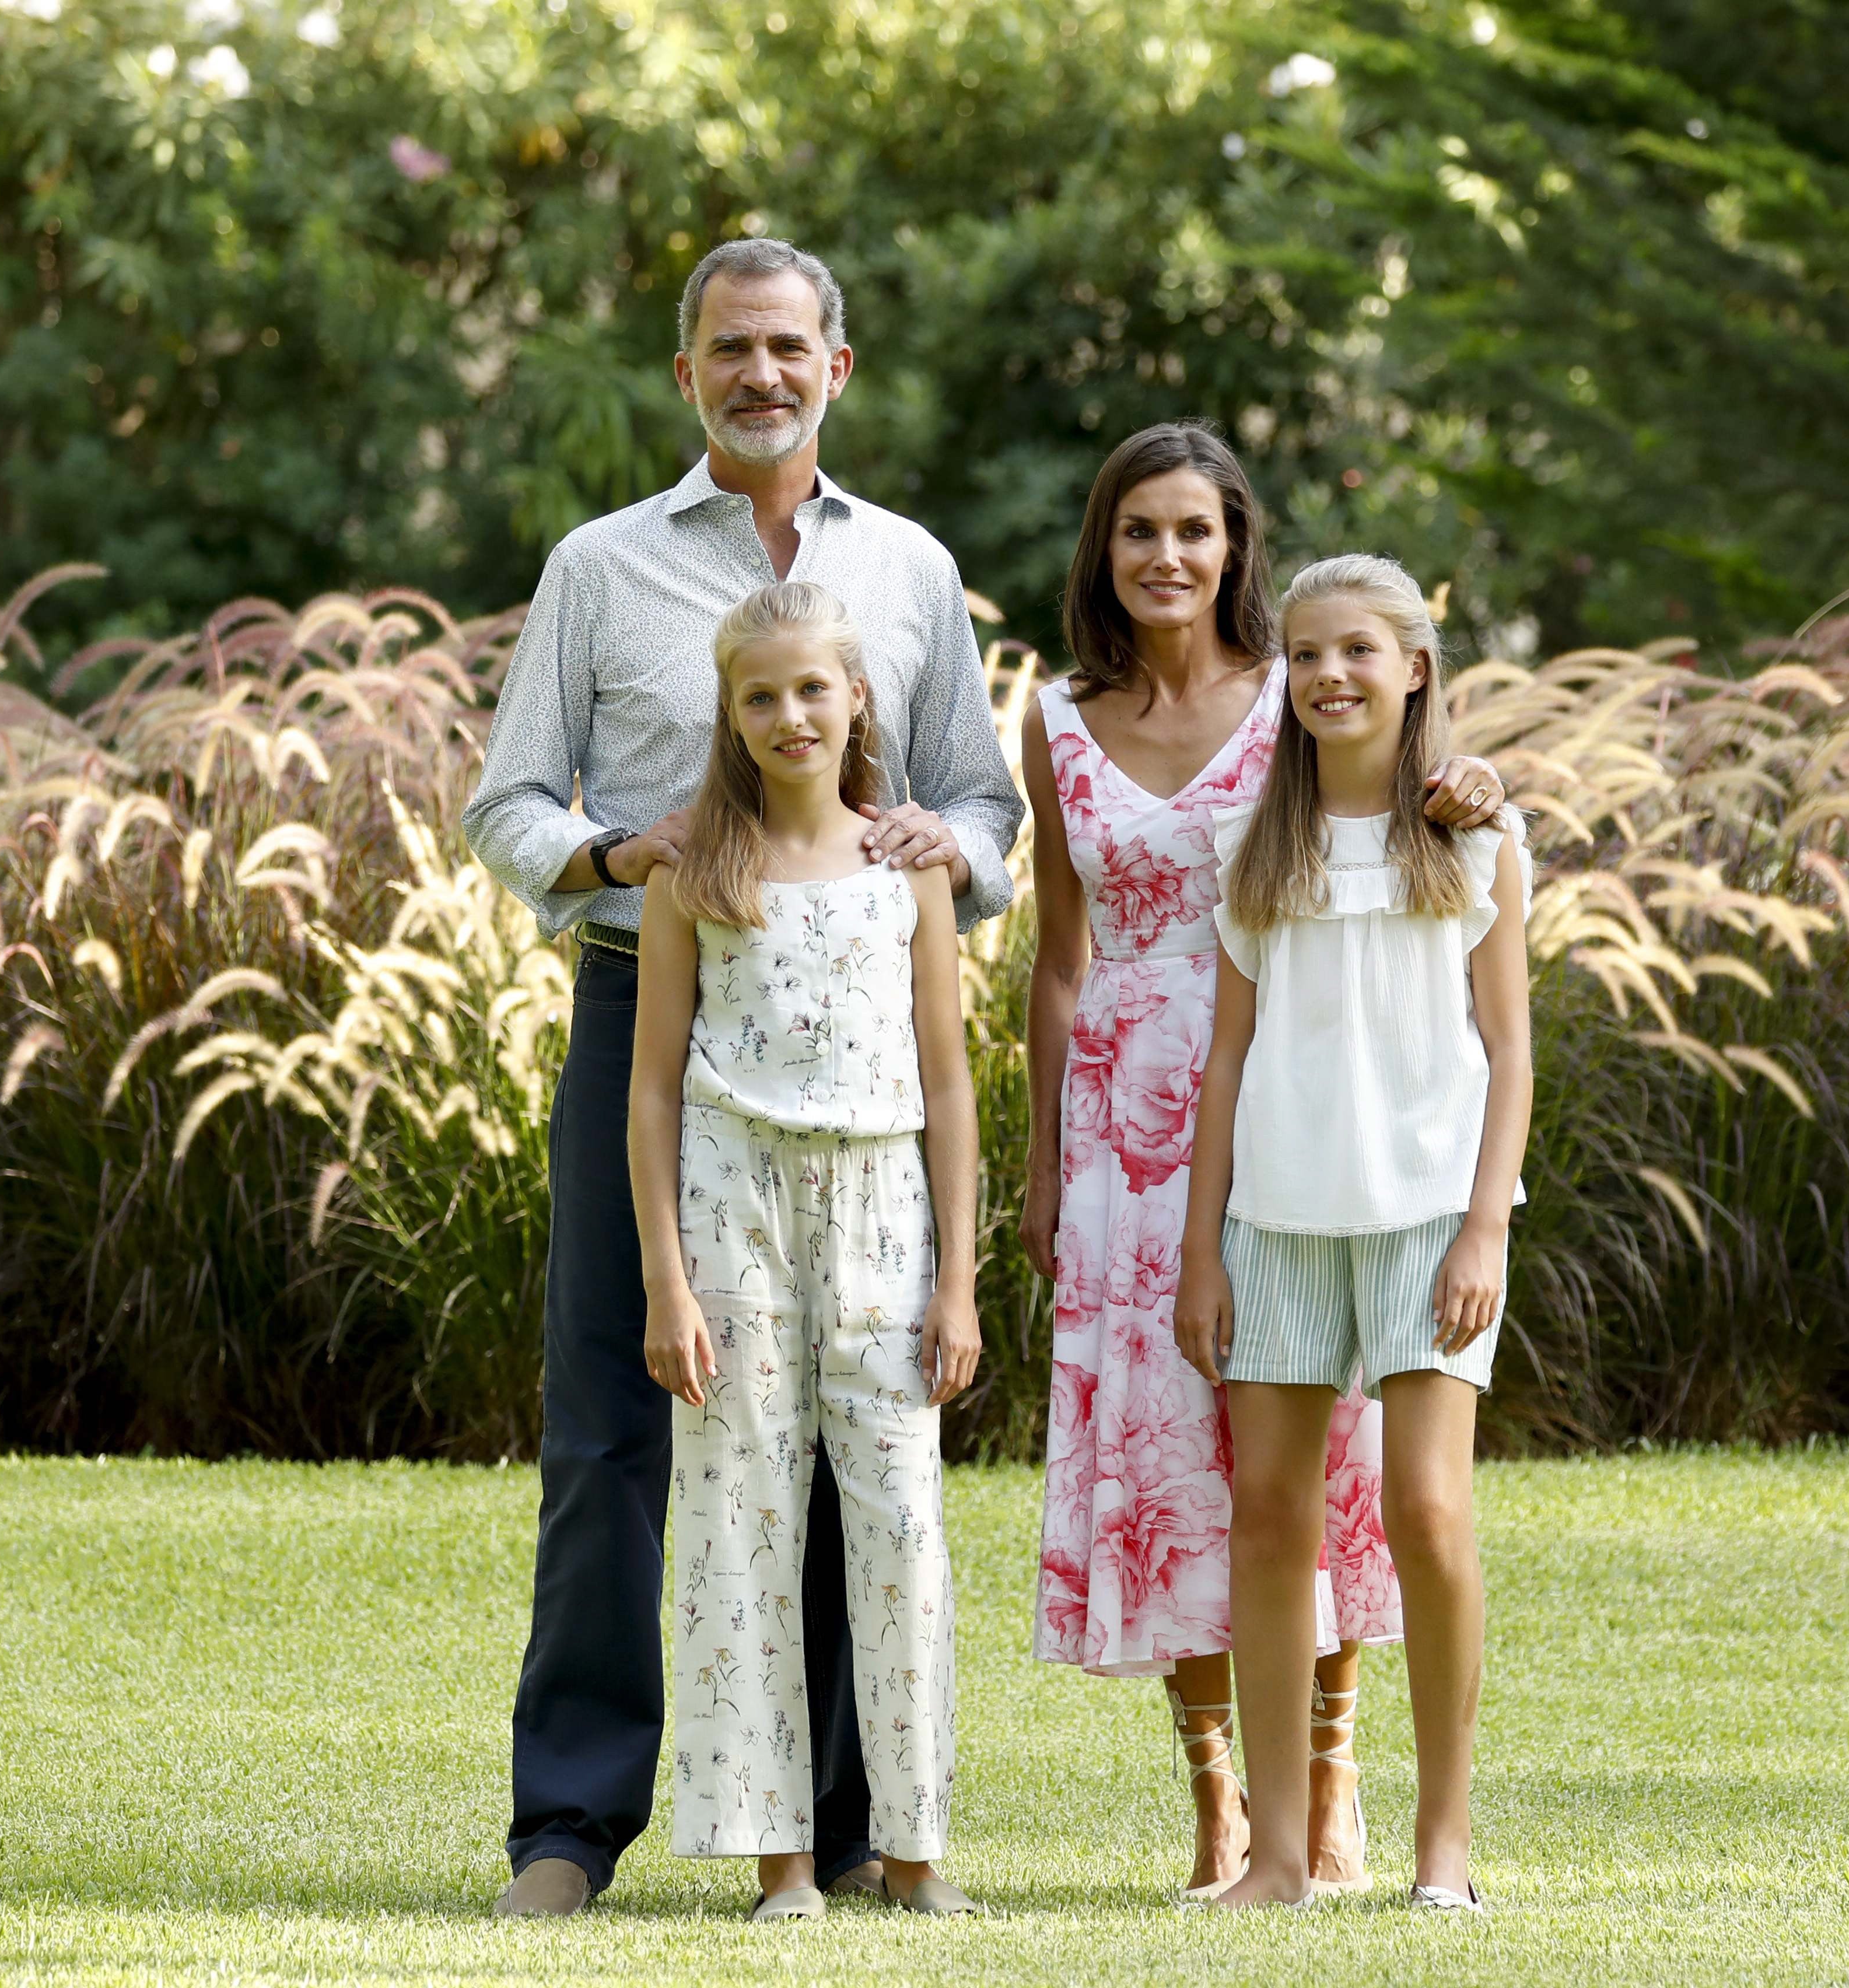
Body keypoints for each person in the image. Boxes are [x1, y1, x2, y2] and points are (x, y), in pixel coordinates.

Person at [463, 239, 1024, 1919]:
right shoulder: (600, 568)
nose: (761, 374)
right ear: (687, 370)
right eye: (730, 350)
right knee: (617, 1433)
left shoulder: (914, 574)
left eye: (789, 347)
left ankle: (845, 1828)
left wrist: (953, 846)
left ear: (836, 367)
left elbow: (983, 805)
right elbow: (505, 801)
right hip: (656, 1016)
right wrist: (608, 854)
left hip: (856, 1054)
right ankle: (568, 1828)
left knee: (860, 1444)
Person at [1017, 423, 1507, 1901]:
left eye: (1194, 530)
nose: (1165, 557)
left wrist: (1470, 776)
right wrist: (1047, 1160)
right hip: (1128, 1123)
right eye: (1135, 532)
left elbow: (1403, 768)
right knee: (1174, 1460)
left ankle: (1338, 1771)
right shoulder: (1055, 721)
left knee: (1342, 1471)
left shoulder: (1292, 697)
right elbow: (1053, 960)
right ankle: (1221, 1803)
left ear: (1237, 548)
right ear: (1102, 551)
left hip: (1314, 1113)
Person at [1176, 554, 1534, 1913]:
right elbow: (1224, 1064)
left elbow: (1508, 1052)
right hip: (1274, 1220)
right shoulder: (1250, 850)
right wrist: (1202, 1249)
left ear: (1415, 668)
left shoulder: (1477, 839)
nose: (1330, 676)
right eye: (1306, 655)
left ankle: (1443, 1847)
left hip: (1431, 1221)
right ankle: (1277, 1859)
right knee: (1268, 1523)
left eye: (1359, 653)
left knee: (1426, 1512)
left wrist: (1484, 1232)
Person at [629, 580, 984, 1922]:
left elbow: (948, 1082)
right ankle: (779, 1860)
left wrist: (956, 1276)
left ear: (854, 702)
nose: (789, 714)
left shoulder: (909, 875)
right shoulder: (694, 876)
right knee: (739, 1522)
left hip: (883, 1207)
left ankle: (913, 1853)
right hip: (734, 1211)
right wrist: (667, 1277)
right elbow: (651, 1089)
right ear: (730, 715)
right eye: (760, 695)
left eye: (811, 689)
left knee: (900, 1523)